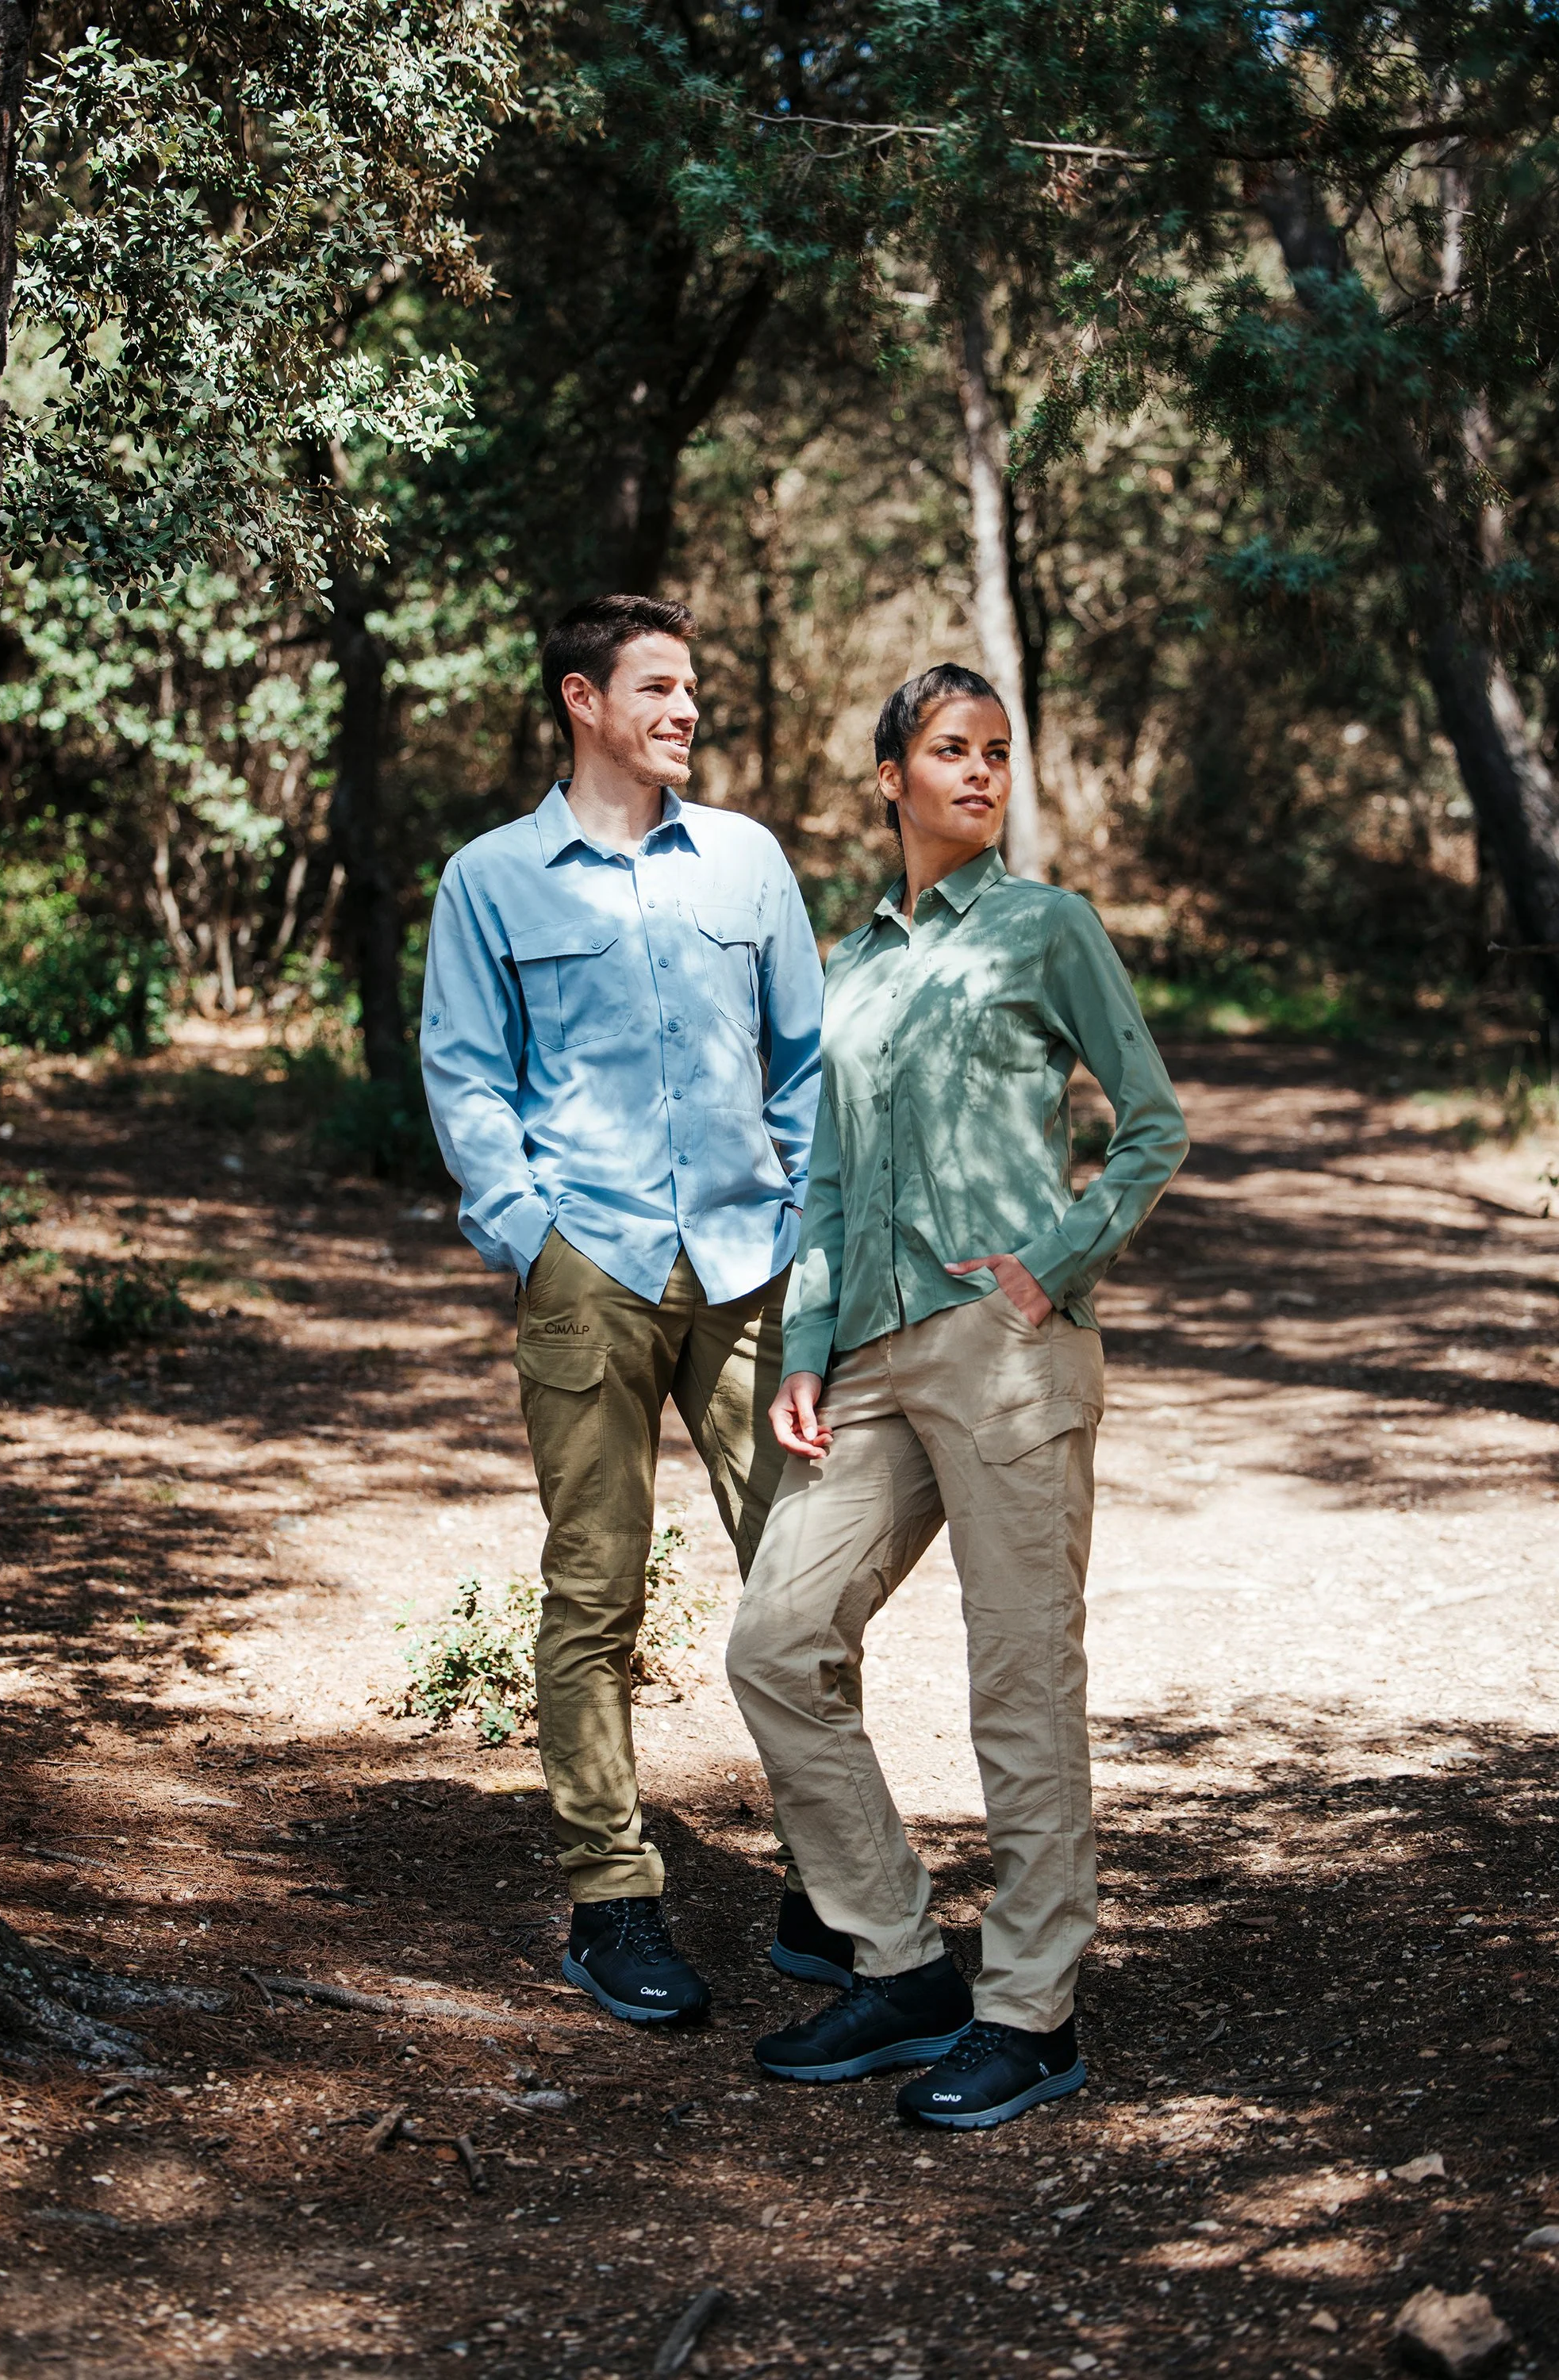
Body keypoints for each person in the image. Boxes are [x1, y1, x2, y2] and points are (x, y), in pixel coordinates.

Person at [726, 662, 1189, 2128]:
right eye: (949, 751)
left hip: (1004, 1348)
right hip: (869, 1351)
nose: (980, 773)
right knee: (776, 1642)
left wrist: (1053, 1267)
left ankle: (1033, 2012)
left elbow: (1152, 1127)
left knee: (1019, 1683)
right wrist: (805, 1341)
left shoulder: (1047, 927)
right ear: (892, 777)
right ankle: (903, 1959)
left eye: (997, 753)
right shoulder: (847, 965)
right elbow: (832, 1177)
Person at [420, 593, 843, 2027]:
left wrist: (798, 1221)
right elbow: (467, 1076)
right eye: (657, 688)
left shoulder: (747, 861)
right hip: (587, 1273)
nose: (685, 711)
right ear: (580, 700)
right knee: (593, 1590)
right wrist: (532, 1240)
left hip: (745, 1270)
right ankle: (612, 1903)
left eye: (695, 690)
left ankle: (829, 1888)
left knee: (800, 1582)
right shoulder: (491, 880)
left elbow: (807, 1059)